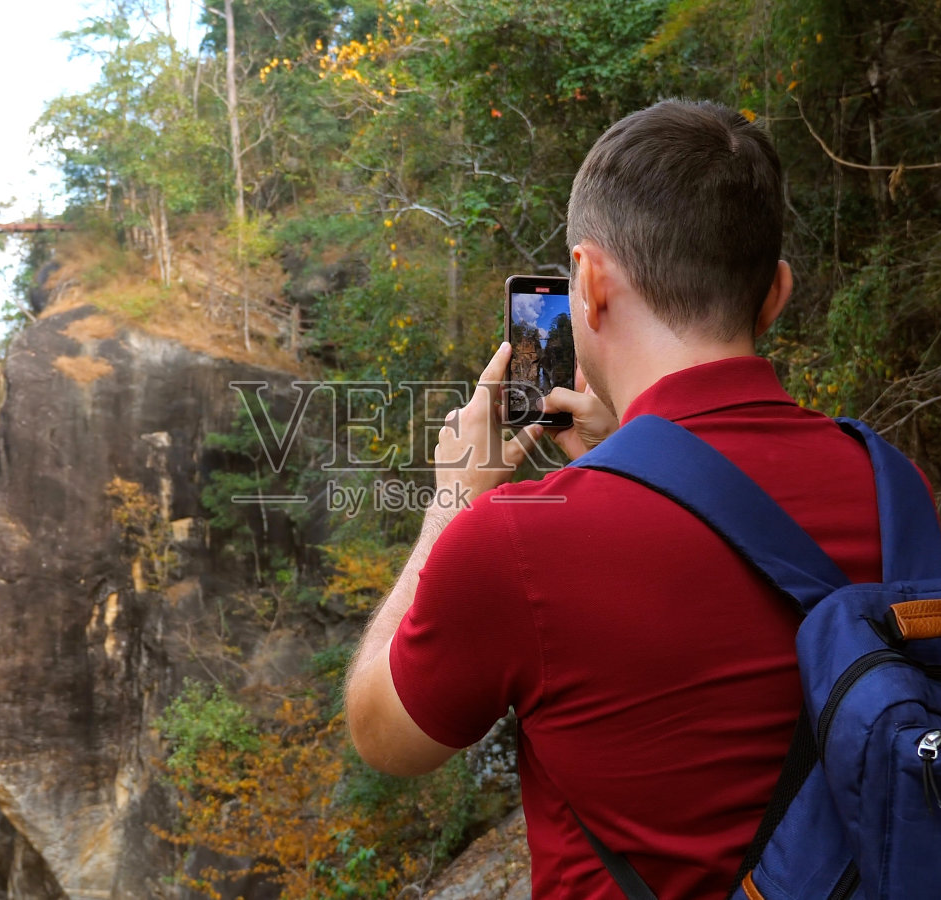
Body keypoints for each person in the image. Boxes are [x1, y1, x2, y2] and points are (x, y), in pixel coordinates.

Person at [344, 99, 892, 899]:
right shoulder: (889, 481)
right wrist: (635, 462)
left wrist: (451, 506)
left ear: (590, 284)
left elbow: (384, 734)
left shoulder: (521, 543)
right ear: (774, 294)